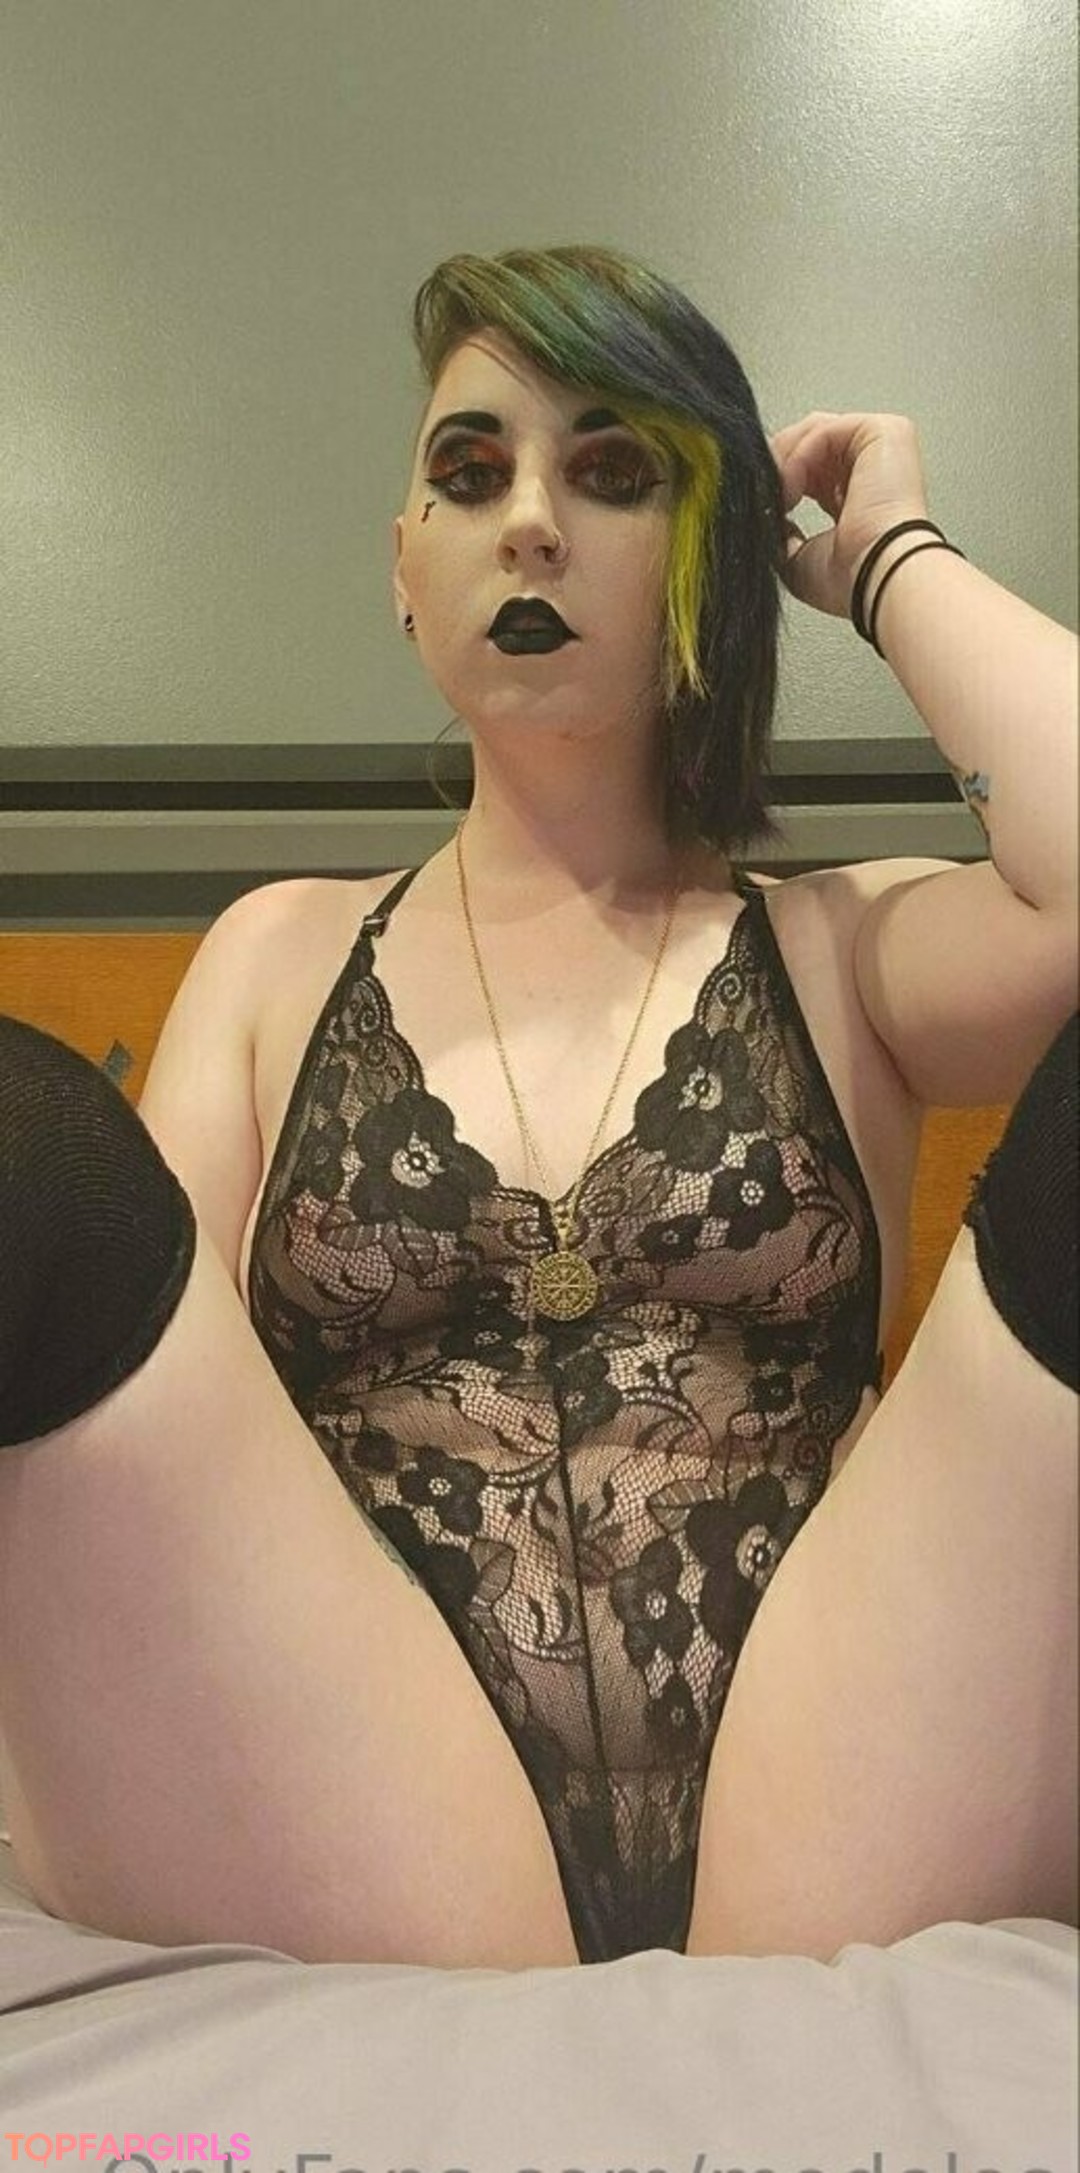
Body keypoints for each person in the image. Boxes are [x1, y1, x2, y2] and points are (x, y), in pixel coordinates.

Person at [0, 245, 1075, 1970]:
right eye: (472, 468)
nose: (530, 526)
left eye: (614, 471)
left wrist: (886, 556)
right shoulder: (275, 962)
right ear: (403, 569)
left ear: (706, 555)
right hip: (362, 1823)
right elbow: (144, 1461)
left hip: (828, 1806)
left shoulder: (843, 948)